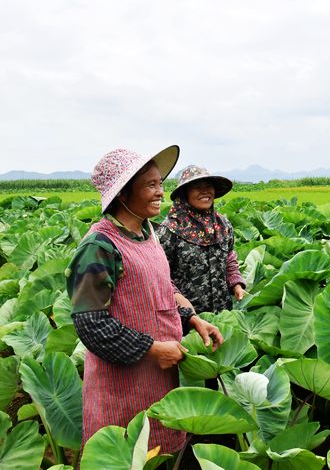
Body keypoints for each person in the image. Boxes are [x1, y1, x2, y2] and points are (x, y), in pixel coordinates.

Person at [66, 146, 224, 455]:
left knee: (158, 452)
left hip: (158, 378)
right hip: (122, 386)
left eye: (160, 184)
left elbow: (161, 290)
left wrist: (192, 319)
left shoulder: (148, 232)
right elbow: (90, 323)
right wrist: (151, 350)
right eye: (150, 185)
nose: (160, 192)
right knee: (128, 453)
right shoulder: (100, 246)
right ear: (124, 194)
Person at [158, 165, 245, 314]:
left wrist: (236, 283)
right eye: (197, 187)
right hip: (185, 317)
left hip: (222, 312)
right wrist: (181, 303)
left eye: (208, 186)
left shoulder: (223, 225)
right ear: (185, 193)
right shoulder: (170, 229)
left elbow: (229, 258)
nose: (205, 191)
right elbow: (160, 274)